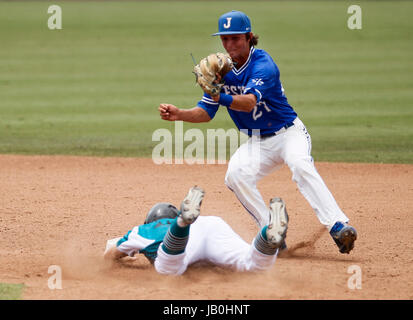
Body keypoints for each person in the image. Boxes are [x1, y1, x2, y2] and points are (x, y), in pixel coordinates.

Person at [158, 10, 357, 254]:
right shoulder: (221, 68)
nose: (229, 44)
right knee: (235, 175)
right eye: (225, 39)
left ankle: (338, 226)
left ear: (249, 37)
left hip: (288, 134)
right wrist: (180, 114)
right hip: (258, 142)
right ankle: (271, 233)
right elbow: (206, 112)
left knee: (301, 164)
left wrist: (218, 95)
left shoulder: (264, 65)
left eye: (235, 38)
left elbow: (248, 102)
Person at [103, 186, 289, 275]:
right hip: (211, 226)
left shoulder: (144, 230)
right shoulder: (206, 221)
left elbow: (111, 255)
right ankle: (267, 232)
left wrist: (126, 254)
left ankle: (182, 224)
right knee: (251, 264)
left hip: (183, 241)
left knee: (167, 269)